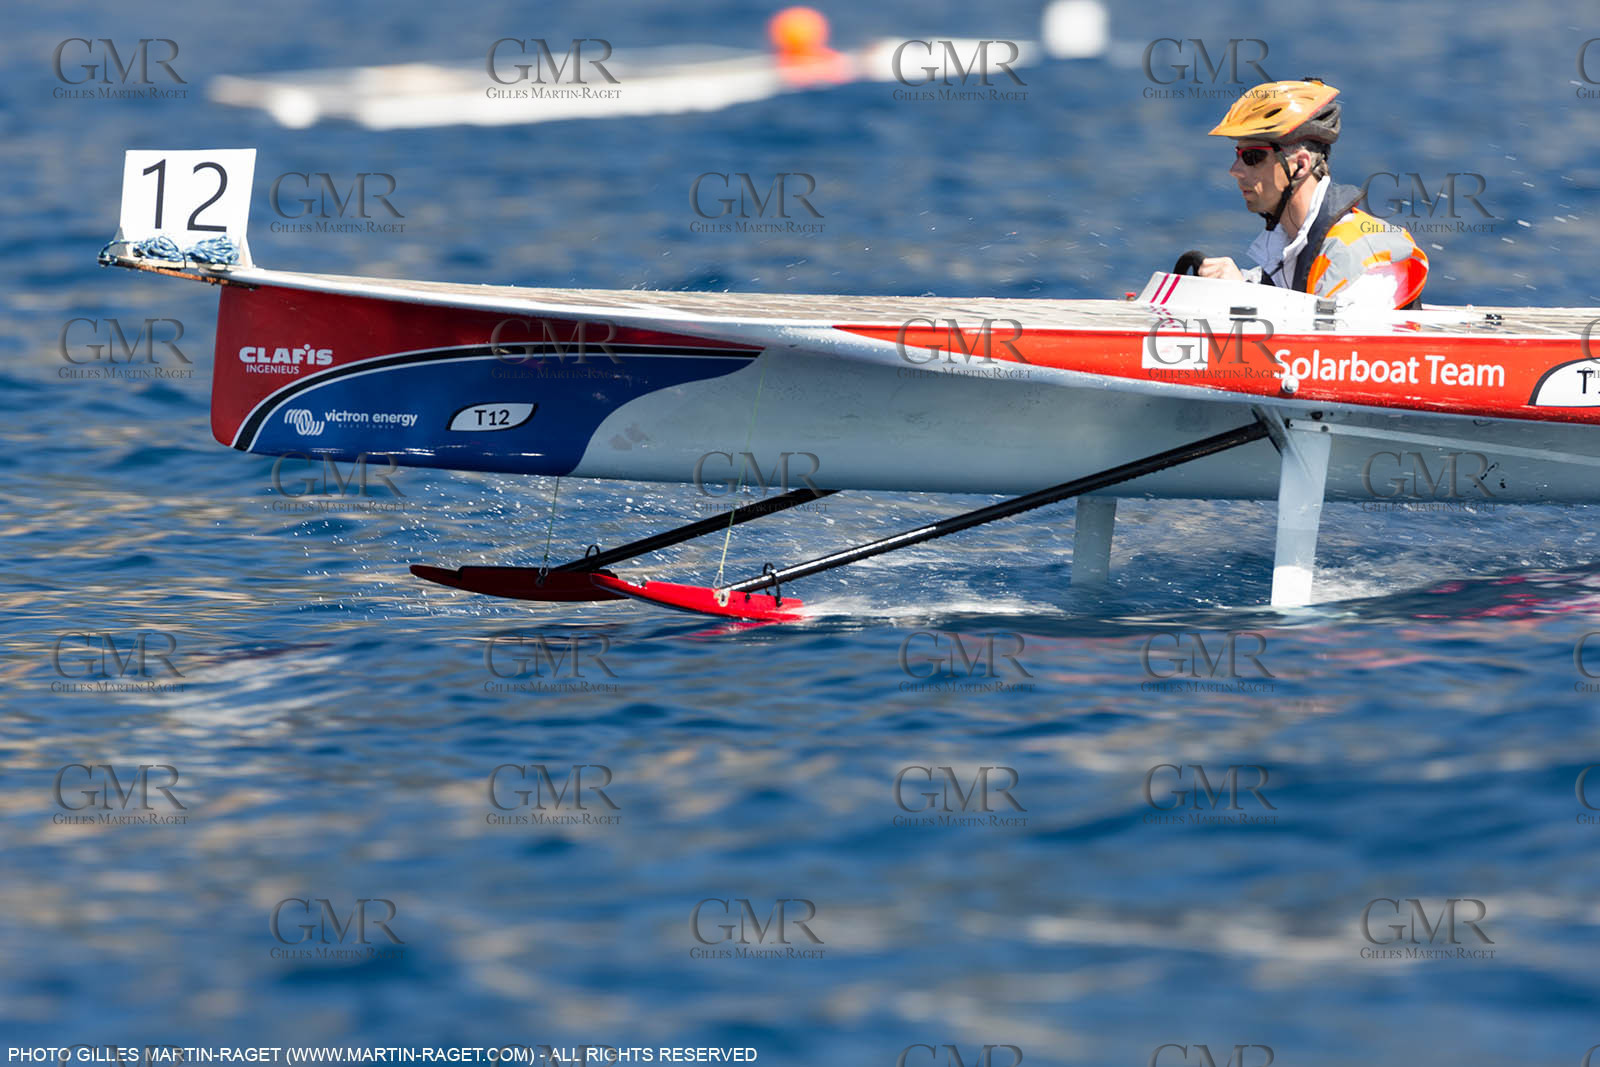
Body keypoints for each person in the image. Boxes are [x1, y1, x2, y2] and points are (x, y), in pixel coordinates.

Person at [1198, 79, 1429, 310]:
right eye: (1238, 155)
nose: (1235, 170)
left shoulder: (1362, 256)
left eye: (1252, 157)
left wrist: (1246, 300)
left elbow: (1337, 343)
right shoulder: (1288, 247)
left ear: (1300, 165)